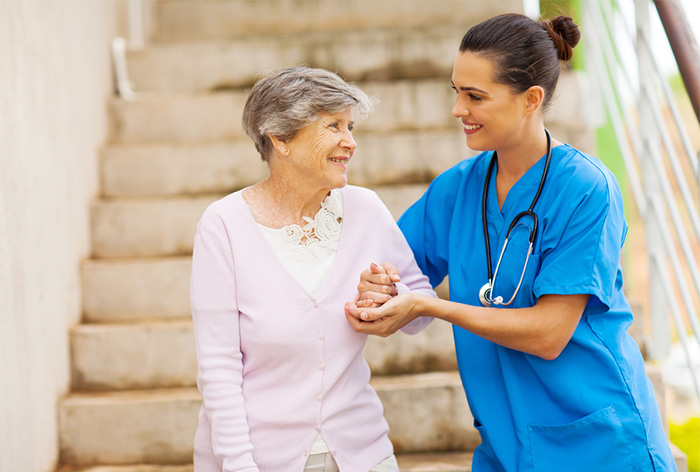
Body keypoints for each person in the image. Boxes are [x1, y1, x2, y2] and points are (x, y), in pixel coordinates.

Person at [345, 13, 677, 472]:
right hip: (505, 446)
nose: (458, 109)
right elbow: (390, 267)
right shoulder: (455, 189)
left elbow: (548, 333)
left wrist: (430, 307)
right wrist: (379, 286)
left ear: (531, 100)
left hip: (598, 442)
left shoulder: (586, 188)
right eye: (456, 91)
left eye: (475, 96)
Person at [189, 66, 435, 472]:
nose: (350, 142)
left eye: (351, 126)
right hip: (259, 459)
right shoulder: (224, 225)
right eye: (333, 126)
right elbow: (218, 368)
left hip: (364, 452)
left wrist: (392, 298)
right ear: (281, 138)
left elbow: (420, 307)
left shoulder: (365, 209)